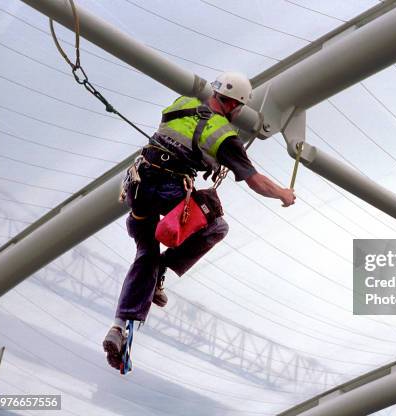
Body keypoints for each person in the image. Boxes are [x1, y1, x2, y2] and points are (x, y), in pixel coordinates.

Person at [103, 71, 296, 370]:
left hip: (138, 185)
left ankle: (117, 326)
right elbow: (254, 181)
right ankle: (162, 270)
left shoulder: (182, 102)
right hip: (169, 190)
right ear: (236, 106)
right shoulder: (223, 135)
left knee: (145, 252)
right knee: (217, 225)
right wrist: (283, 193)